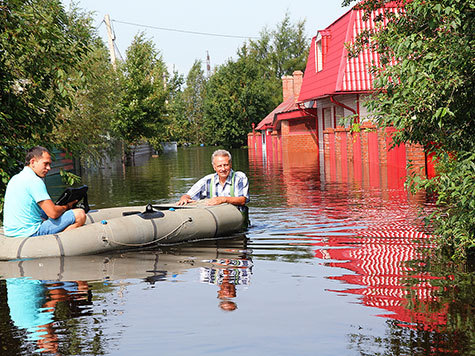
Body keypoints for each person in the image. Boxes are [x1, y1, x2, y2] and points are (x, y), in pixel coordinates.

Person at [3, 146, 86, 237]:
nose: (49, 168)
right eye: (45, 164)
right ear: (33, 162)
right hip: (29, 233)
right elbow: (53, 214)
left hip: (11, 232)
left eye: (49, 164)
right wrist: (67, 206)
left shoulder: (16, 178)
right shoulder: (34, 181)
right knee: (80, 214)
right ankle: (57, 241)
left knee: (44, 210)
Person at [177, 149, 249, 207]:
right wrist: (184, 198)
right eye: (219, 166)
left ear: (230, 164)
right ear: (214, 167)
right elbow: (189, 195)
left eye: (226, 165)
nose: (223, 169)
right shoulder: (207, 180)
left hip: (236, 218)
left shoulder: (239, 177)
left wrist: (223, 199)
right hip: (216, 218)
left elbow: (242, 200)